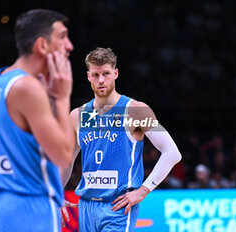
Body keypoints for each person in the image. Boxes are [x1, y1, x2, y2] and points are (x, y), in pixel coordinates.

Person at [0, 9, 75, 232]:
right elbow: (63, 155)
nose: (69, 45)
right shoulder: (28, 87)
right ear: (42, 45)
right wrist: (62, 97)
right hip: (27, 205)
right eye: (62, 36)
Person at [61, 47, 182, 232]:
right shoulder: (78, 115)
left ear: (115, 73)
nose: (101, 80)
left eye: (106, 73)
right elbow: (66, 162)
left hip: (118, 206)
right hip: (86, 206)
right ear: (88, 76)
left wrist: (143, 190)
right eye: (95, 74)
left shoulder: (136, 110)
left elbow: (172, 153)